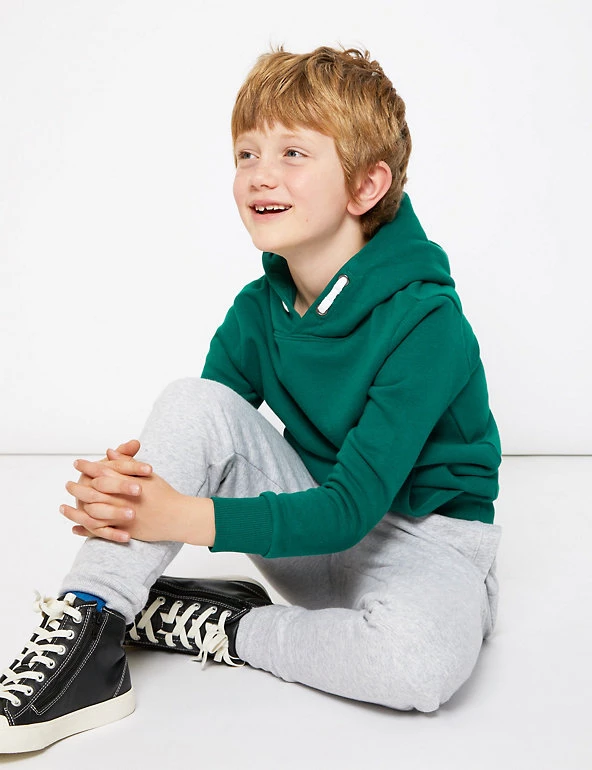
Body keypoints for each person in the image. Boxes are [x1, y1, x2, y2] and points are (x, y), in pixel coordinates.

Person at [0, 45, 502, 753]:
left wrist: (181, 517)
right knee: (194, 399)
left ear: (365, 185)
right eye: (246, 154)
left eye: (293, 153)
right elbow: (201, 438)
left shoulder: (428, 323)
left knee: (415, 668)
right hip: (313, 529)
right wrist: (128, 494)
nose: (260, 174)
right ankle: (91, 624)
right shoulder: (258, 310)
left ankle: (225, 626)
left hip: (425, 546)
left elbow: (351, 510)